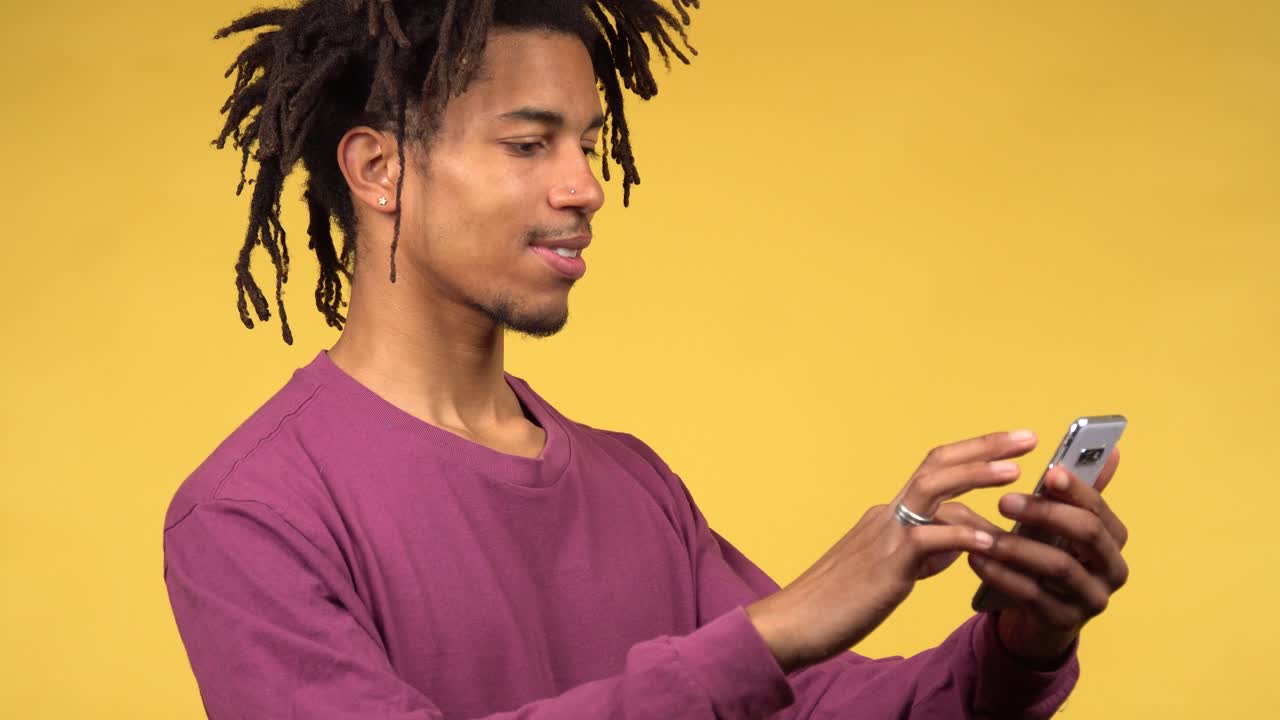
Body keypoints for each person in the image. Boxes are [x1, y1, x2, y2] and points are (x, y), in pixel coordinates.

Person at [163, 1, 1131, 718]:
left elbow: (809, 701)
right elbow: (753, 660)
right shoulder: (252, 513)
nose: (584, 186)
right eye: (528, 143)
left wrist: (1017, 644)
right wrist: (772, 629)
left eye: (586, 143)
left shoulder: (630, 482)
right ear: (380, 170)